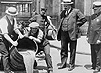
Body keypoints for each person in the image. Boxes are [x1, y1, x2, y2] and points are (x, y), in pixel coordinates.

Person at [57, 0, 87, 71]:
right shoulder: (63, 12)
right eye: (64, 5)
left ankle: (71, 64)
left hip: (72, 33)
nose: (65, 6)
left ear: (70, 5)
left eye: (66, 5)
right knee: (63, 49)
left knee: (72, 50)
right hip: (63, 33)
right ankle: (63, 63)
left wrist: (76, 25)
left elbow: (84, 19)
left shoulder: (76, 11)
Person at [29, 8, 53, 72]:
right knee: (31, 54)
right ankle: (33, 65)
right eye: (32, 28)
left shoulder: (40, 32)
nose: (33, 30)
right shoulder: (36, 17)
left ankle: (50, 68)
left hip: (44, 43)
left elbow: (48, 23)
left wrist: (33, 37)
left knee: (47, 55)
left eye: (35, 28)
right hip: (37, 44)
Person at [0, 7, 24, 73]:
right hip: (1, 39)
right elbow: (5, 34)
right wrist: (13, 42)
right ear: (8, 14)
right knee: (5, 54)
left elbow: (15, 28)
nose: (13, 17)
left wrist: (20, 34)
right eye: (11, 16)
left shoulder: (14, 19)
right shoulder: (3, 21)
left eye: (14, 16)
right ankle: (7, 71)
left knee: (7, 52)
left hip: (7, 38)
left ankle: (2, 66)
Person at [87, 1, 101, 72]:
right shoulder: (92, 17)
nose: (94, 10)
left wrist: (99, 38)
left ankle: (98, 67)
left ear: (100, 9)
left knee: (98, 53)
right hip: (92, 37)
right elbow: (89, 27)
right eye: (94, 9)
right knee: (92, 52)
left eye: (96, 9)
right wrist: (87, 36)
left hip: (98, 37)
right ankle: (93, 65)